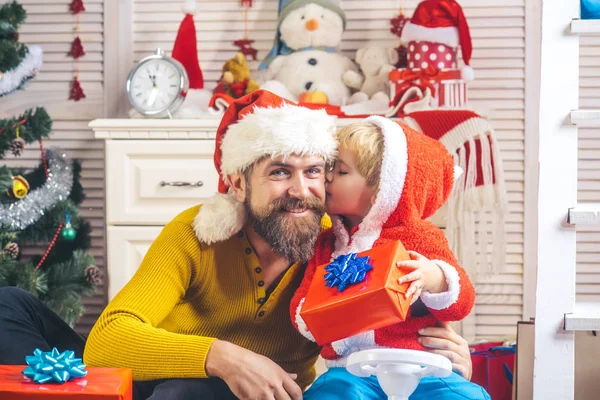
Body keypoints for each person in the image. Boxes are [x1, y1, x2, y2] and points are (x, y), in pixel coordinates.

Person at [0, 91, 474, 400]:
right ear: (238, 184)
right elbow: (106, 342)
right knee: (8, 304)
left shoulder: (341, 245)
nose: (301, 189)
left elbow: (397, 302)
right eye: (279, 172)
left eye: (314, 172)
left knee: (189, 395)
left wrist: (442, 356)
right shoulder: (196, 233)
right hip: (145, 374)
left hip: (225, 395)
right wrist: (223, 355)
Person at [291, 118, 489, 399]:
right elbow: (302, 304)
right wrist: (316, 313)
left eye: (342, 171)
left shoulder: (420, 236)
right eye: (330, 168)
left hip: (422, 369)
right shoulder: (326, 243)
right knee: (328, 393)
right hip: (352, 372)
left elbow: (461, 302)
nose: (328, 177)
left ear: (382, 191)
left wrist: (435, 277)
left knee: (468, 396)